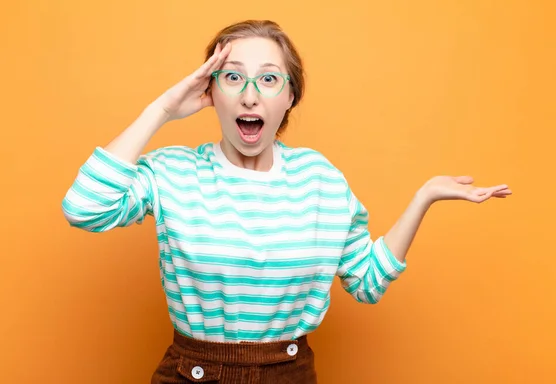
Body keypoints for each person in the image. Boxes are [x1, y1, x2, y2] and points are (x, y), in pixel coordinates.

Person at [61, 19, 511, 383]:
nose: (250, 94)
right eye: (232, 77)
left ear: (290, 95)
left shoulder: (321, 181)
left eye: (269, 79)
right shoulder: (173, 172)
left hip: (289, 374)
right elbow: (84, 208)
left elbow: (368, 282)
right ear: (209, 91)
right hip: (192, 372)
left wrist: (424, 196)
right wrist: (160, 110)